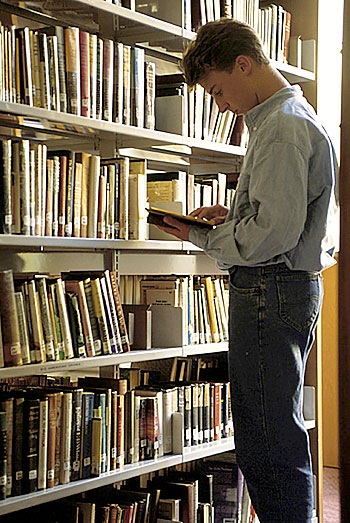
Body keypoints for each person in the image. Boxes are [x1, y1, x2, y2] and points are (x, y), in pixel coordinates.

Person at [155, 18, 339, 523]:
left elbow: (273, 237)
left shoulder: (281, 127)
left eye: (217, 90)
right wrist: (231, 217)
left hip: (270, 291)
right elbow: (275, 219)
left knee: (267, 437)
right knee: (275, 428)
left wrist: (197, 234)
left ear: (244, 64)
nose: (218, 104)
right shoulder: (291, 118)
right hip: (286, 289)